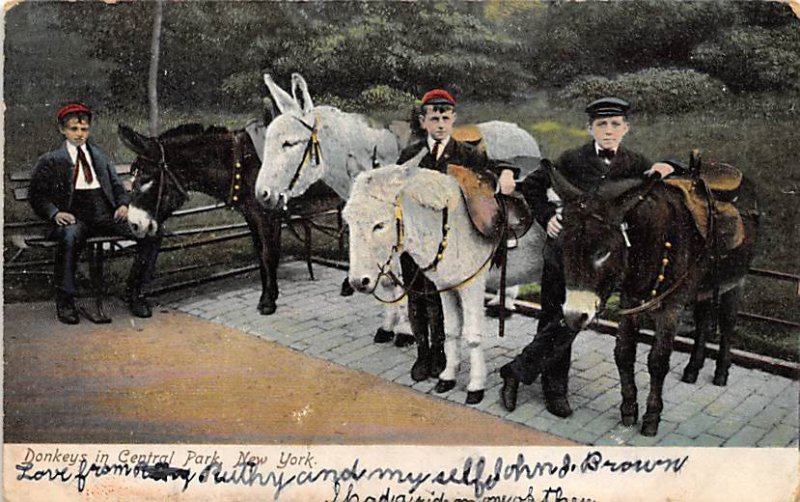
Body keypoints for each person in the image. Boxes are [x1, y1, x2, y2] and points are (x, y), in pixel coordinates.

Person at [499, 97, 678, 417]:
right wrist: (547, 217)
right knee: (554, 317)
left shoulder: (635, 163)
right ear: (590, 128)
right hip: (564, 254)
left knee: (573, 321)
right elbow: (535, 185)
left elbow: (660, 182)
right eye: (601, 125)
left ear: (626, 128)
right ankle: (555, 390)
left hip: (601, 262)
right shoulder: (572, 159)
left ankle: (516, 372)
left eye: (615, 125)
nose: (608, 131)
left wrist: (670, 165)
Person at [393, 89, 517, 381]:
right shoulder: (412, 155)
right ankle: (423, 353)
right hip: (415, 241)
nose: (439, 124)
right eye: (433, 118)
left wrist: (508, 172)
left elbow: (490, 171)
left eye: (445, 118)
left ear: (453, 120)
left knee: (439, 298)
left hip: (449, 244)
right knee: (417, 295)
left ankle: (441, 354)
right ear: (423, 122)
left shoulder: (465, 153)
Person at [29, 103, 162, 324]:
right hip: (74, 216)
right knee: (70, 237)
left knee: (151, 232)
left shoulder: (98, 156)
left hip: (104, 214)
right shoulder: (52, 160)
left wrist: (123, 204)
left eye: (84, 129)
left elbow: (117, 186)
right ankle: (65, 301)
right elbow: (37, 195)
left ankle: (135, 292)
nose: (79, 135)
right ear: (63, 130)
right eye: (74, 129)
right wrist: (55, 213)